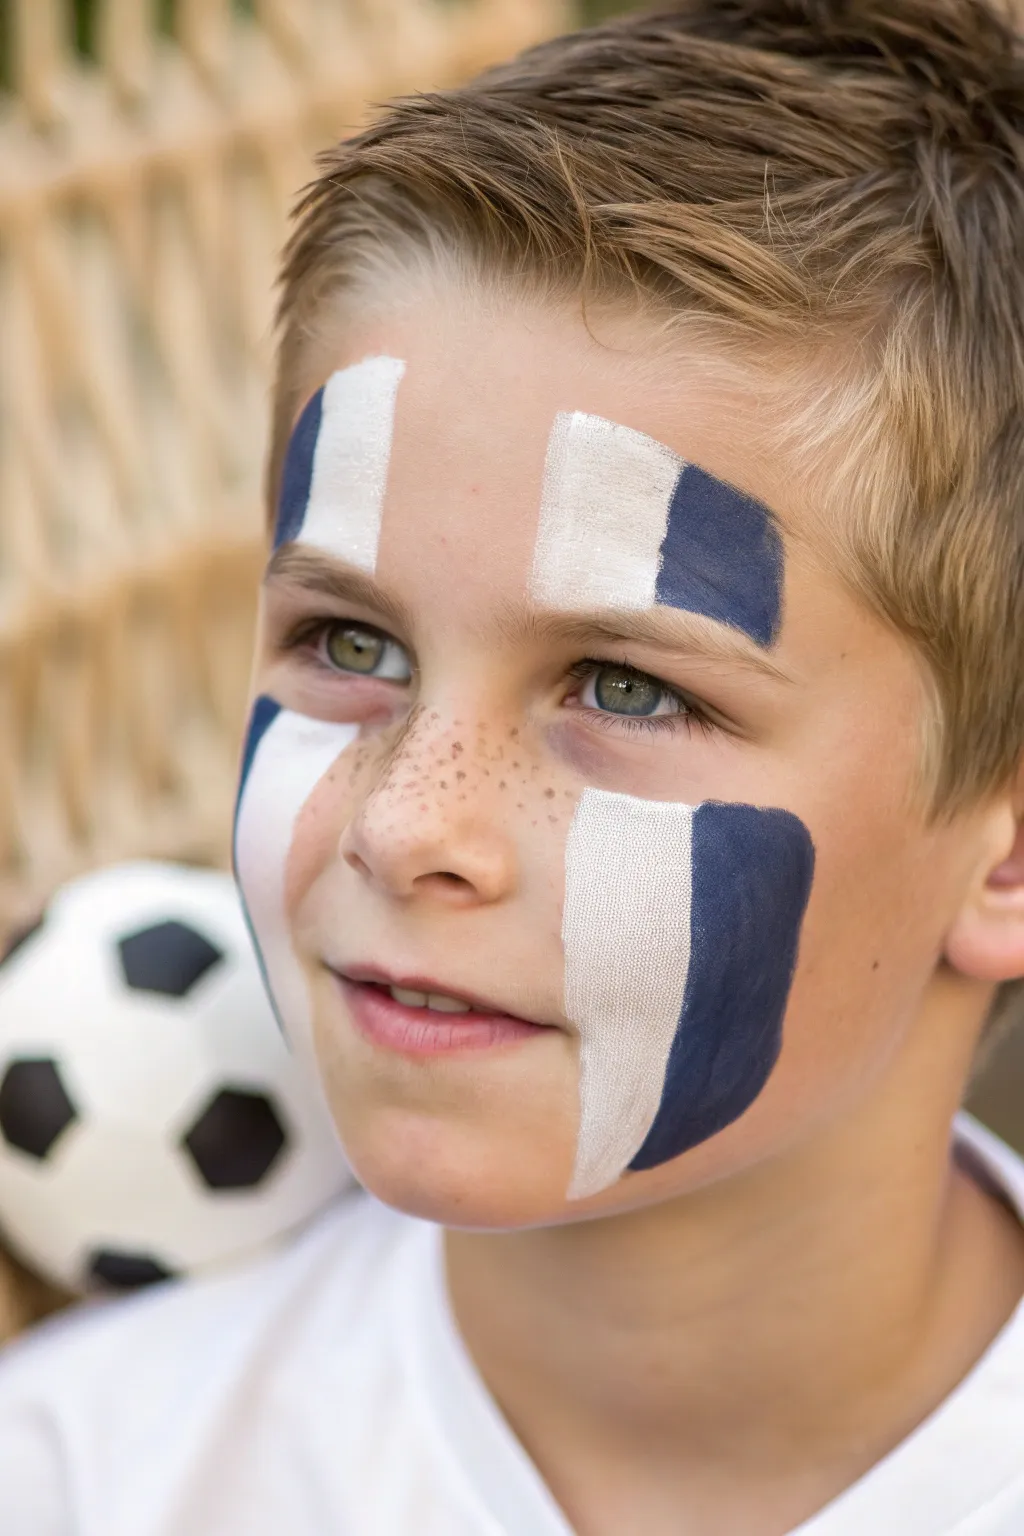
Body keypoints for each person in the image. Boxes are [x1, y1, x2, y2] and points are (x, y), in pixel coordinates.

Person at [4, 1, 1024, 1530]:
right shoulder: (80, 1471)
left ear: (1003, 851)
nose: (407, 826)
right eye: (352, 645)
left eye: (623, 685)